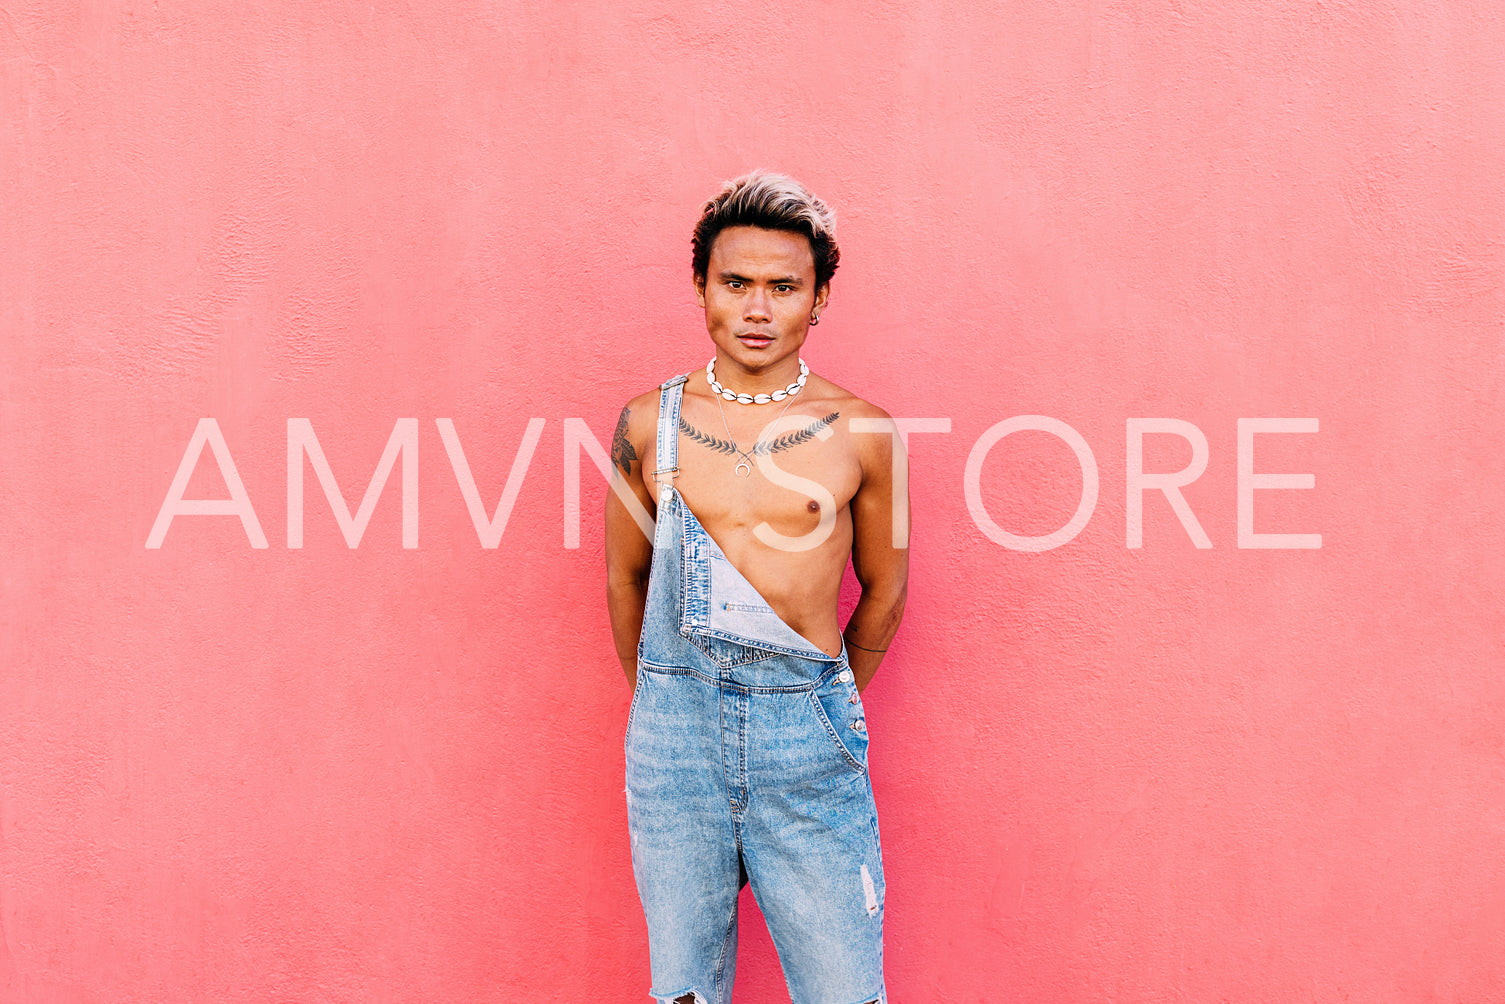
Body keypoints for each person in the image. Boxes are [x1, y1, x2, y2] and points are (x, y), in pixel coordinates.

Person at [605, 170, 909, 1004]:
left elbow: (885, 590)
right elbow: (625, 576)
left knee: (845, 989)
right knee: (685, 990)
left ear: (817, 302)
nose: (756, 307)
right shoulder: (646, 423)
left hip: (804, 740)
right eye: (735, 283)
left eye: (784, 287)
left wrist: (821, 706)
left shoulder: (862, 430)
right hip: (676, 746)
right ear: (700, 286)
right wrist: (665, 703)